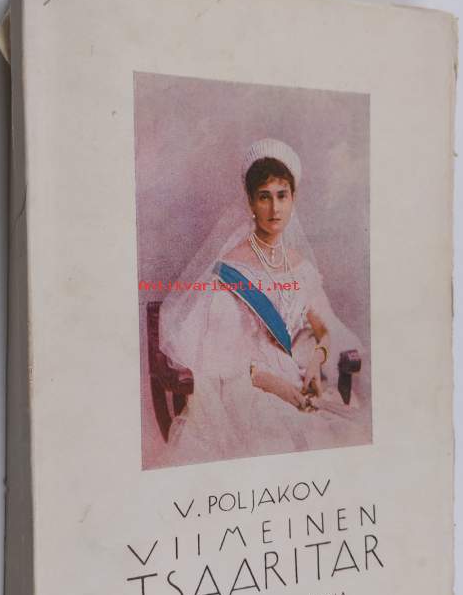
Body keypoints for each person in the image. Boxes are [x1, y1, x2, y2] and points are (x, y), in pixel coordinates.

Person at [158, 138, 369, 467]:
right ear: (251, 203)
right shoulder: (231, 268)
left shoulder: (301, 267)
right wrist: (279, 388)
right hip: (247, 386)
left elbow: (323, 328)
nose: (275, 208)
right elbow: (225, 358)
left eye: (282, 196)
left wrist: (315, 364)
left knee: (334, 438)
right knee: (278, 437)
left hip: (296, 378)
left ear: (293, 198)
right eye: (264, 197)